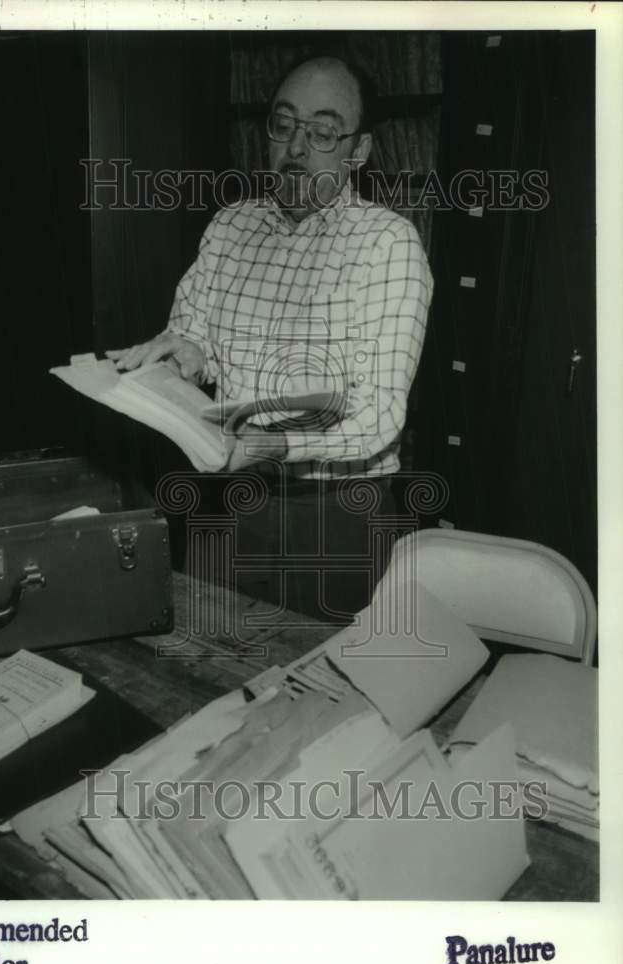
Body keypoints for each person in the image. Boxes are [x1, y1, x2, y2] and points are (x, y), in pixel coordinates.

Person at [107, 55, 433, 621]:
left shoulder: (387, 244)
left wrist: (270, 444)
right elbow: (195, 336)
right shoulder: (232, 225)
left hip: (333, 515)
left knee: (324, 670)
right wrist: (184, 355)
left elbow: (379, 415)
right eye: (284, 125)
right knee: (209, 654)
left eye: (323, 133)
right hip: (228, 502)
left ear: (359, 150)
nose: (297, 148)